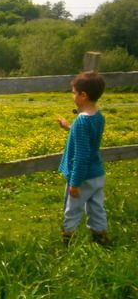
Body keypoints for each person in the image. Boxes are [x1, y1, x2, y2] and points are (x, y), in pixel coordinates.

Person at [57, 71, 109, 245]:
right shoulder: (98, 117)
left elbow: (81, 155)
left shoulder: (81, 122)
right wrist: (68, 127)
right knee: (97, 209)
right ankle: (101, 238)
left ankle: (68, 242)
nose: (73, 96)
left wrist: (75, 182)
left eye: (74, 92)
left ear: (83, 95)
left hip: (82, 177)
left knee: (72, 210)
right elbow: (87, 140)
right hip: (97, 174)